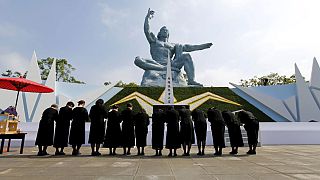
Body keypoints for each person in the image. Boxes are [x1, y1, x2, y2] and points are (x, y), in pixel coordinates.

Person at [134, 8, 213, 86]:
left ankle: (191, 80)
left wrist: (203, 46)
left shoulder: (173, 45)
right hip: (156, 63)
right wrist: (148, 18)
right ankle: (162, 69)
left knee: (187, 56)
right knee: (138, 59)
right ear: (159, 33)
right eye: (163, 30)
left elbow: (189, 47)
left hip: (171, 64)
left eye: (166, 31)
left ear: (168, 34)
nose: (165, 31)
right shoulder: (154, 41)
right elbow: (147, 31)